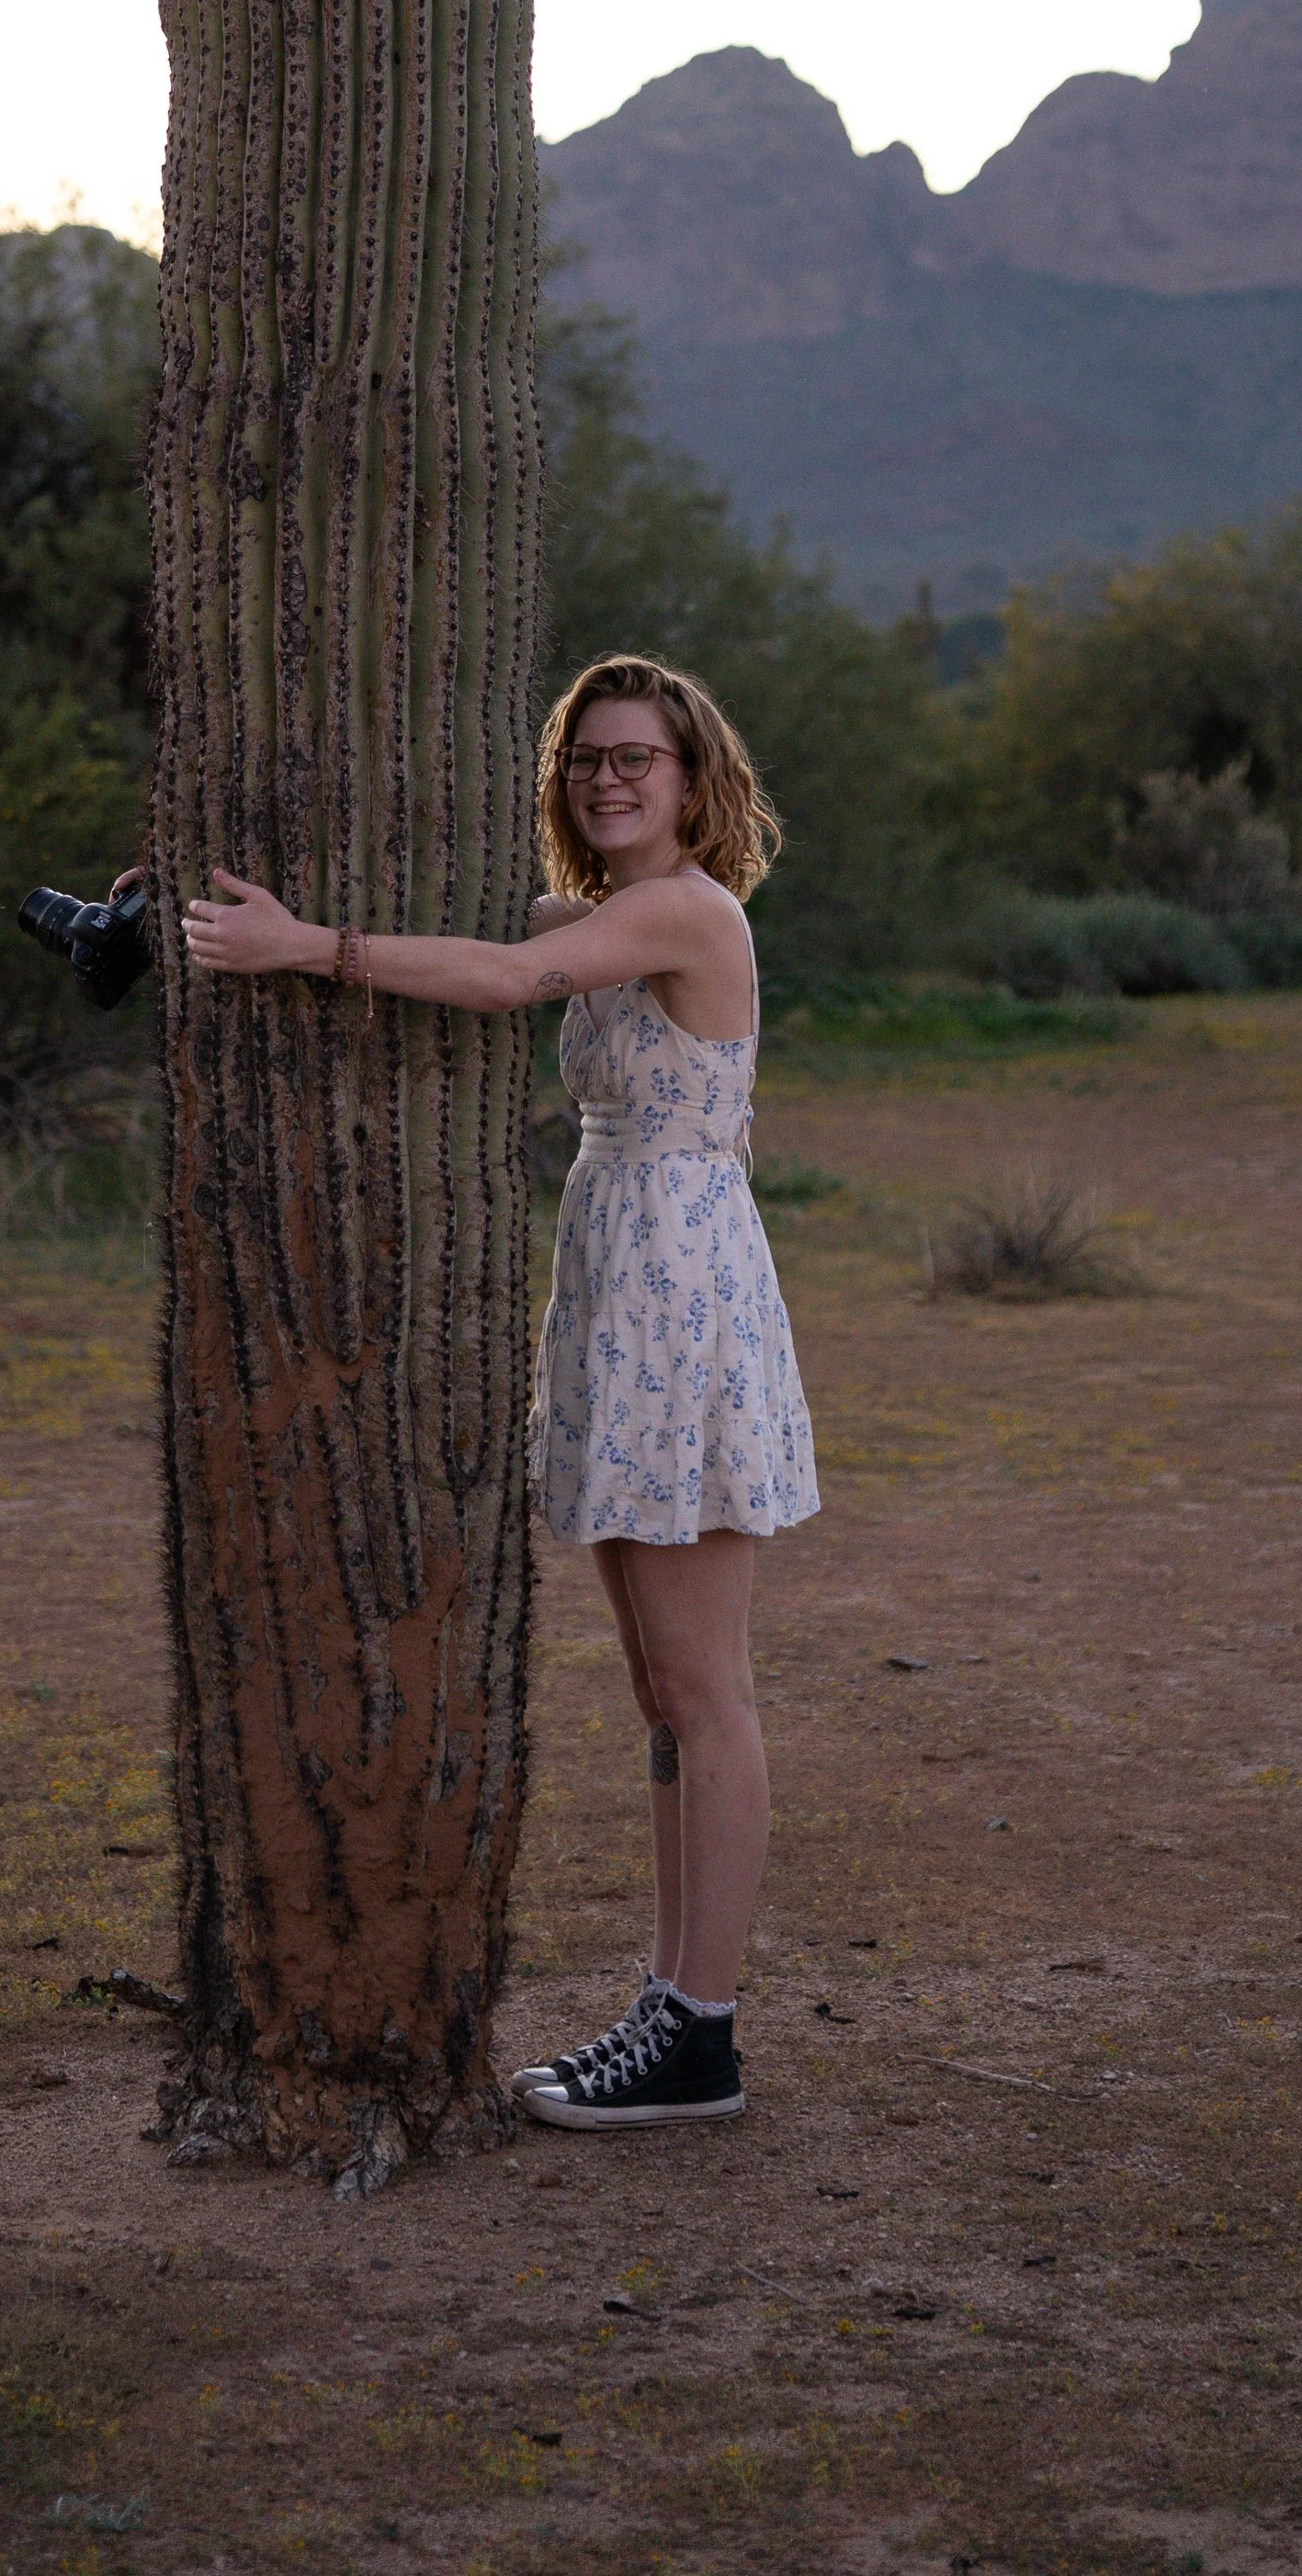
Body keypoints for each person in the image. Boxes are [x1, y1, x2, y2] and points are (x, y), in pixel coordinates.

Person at [180, 653, 818, 2132]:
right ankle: (672, 2007)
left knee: (707, 1692)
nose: (608, 778)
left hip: (679, 1291)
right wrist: (230, 879)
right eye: (587, 757)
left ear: (693, 778)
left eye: (637, 758)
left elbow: (510, 978)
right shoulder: (610, 909)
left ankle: (704, 2029)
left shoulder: (686, 907)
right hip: (621, 1274)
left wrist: (304, 948)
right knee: (661, 1691)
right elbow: (488, 927)